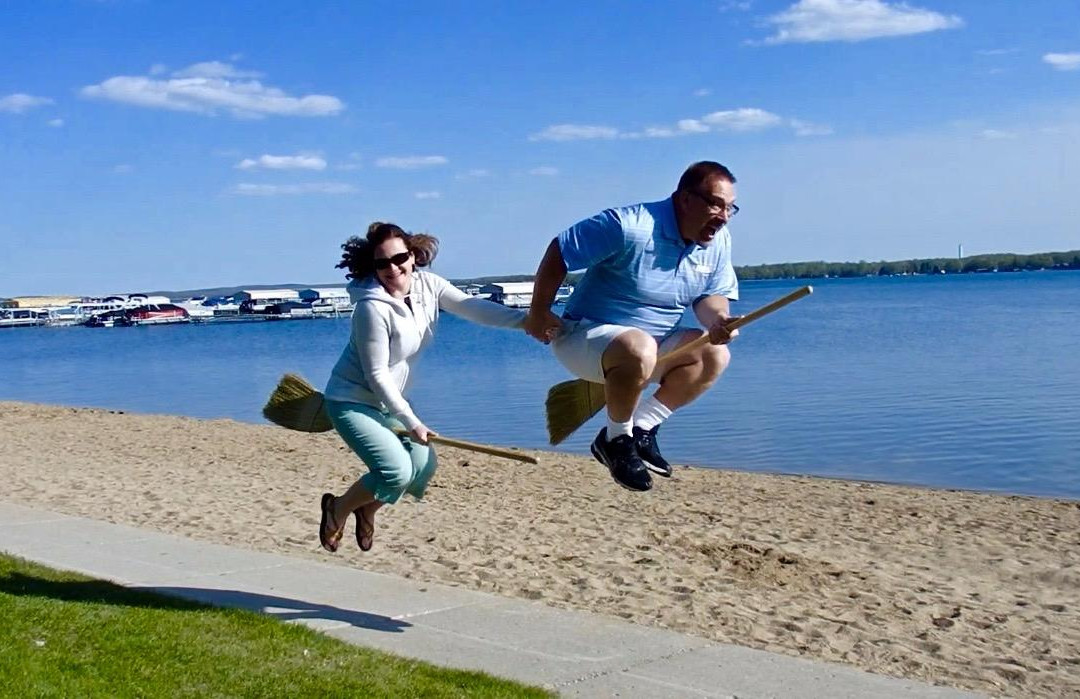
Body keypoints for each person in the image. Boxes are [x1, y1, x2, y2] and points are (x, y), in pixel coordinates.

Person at [524, 161, 741, 492]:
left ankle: (641, 429)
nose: (723, 217)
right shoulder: (629, 225)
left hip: (650, 350)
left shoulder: (718, 241)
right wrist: (539, 311)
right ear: (685, 199)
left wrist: (718, 320)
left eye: (730, 208)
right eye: (715, 204)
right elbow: (561, 250)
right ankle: (617, 440)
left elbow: (711, 295)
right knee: (637, 346)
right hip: (586, 338)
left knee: (715, 353)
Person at [319, 222, 525, 552]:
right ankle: (338, 509)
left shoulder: (428, 286)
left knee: (422, 466)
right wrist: (412, 421)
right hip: (350, 401)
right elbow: (376, 374)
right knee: (396, 472)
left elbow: (471, 307)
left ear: (413, 256)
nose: (392, 268)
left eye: (398, 258)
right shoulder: (370, 308)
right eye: (381, 263)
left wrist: (526, 321)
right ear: (372, 267)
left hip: (388, 403)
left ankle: (368, 508)